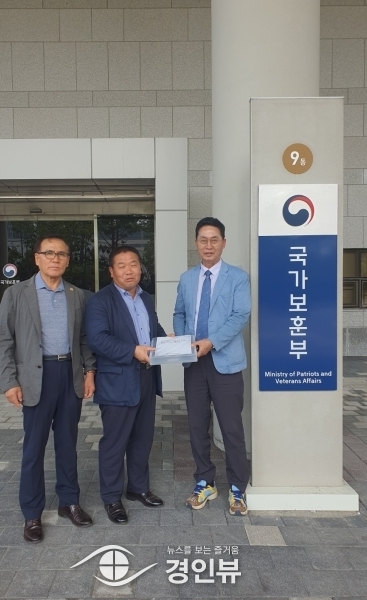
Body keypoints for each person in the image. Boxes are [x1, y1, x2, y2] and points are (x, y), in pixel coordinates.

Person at [0, 235, 96, 543]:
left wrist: (90, 371)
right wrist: (9, 382)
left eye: (61, 254)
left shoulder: (77, 295)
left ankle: (69, 501)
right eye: (49, 253)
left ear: (67, 260)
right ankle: (32, 513)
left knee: (67, 444)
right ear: (37, 258)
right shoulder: (17, 294)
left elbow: (83, 339)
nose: (55, 258)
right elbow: (4, 340)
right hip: (35, 378)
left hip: (69, 374)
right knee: (34, 448)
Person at [173, 217, 251, 516]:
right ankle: (204, 481)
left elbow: (240, 315)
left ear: (223, 243)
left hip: (225, 362)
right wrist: (184, 341)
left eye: (214, 239)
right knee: (196, 426)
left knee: (231, 428)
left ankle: (237, 486)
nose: (208, 245)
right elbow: (179, 313)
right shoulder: (187, 278)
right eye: (203, 240)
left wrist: (211, 341)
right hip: (194, 363)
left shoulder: (238, 277)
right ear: (196, 243)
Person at [85, 245, 166, 524]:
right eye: (121, 265)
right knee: (115, 442)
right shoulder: (100, 301)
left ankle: (138, 488)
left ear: (140, 268)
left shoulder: (146, 298)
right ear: (111, 271)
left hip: (146, 376)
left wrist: (169, 342)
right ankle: (111, 497)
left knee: (143, 438)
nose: (129, 270)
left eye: (133, 264)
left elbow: (153, 331)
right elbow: (98, 339)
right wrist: (133, 350)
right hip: (117, 380)